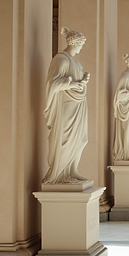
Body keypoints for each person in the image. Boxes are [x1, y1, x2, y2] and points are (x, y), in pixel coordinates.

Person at [43, 27, 90, 185]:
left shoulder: (75, 62)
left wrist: (82, 82)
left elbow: (77, 83)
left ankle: (72, 171)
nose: (81, 47)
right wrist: (75, 83)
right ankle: (59, 174)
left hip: (78, 105)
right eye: (81, 44)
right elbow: (54, 83)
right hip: (66, 106)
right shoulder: (61, 59)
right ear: (75, 43)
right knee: (65, 139)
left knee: (81, 139)